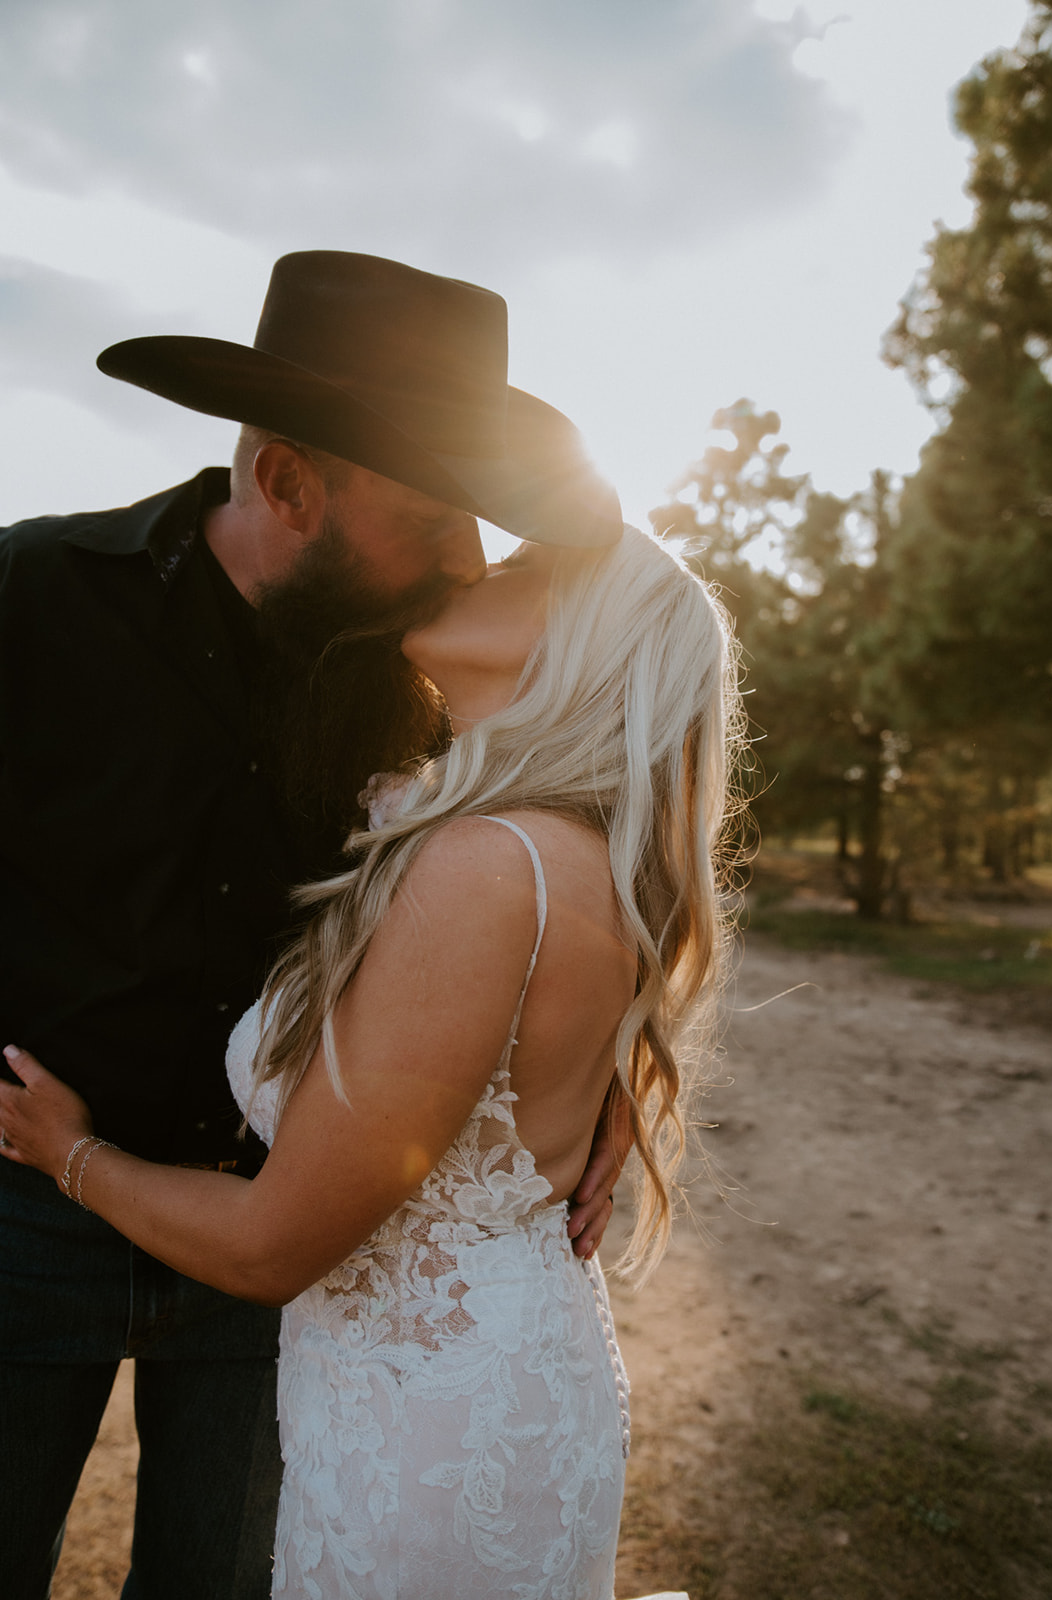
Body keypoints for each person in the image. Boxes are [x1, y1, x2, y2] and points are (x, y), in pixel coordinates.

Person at [0, 251, 624, 1600]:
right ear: (288, 482)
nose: (469, 560)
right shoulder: (29, 596)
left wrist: (593, 1072)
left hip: (290, 1246)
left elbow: (554, 873)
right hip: (17, 1217)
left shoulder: (434, 670)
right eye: (436, 517)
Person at [0, 514, 743, 1599]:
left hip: (428, 1422)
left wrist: (65, 1150)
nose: (480, 557)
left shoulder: (487, 862)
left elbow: (270, 1249)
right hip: (476, 1376)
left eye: (528, 564)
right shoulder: (556, 844)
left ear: (584, 635)